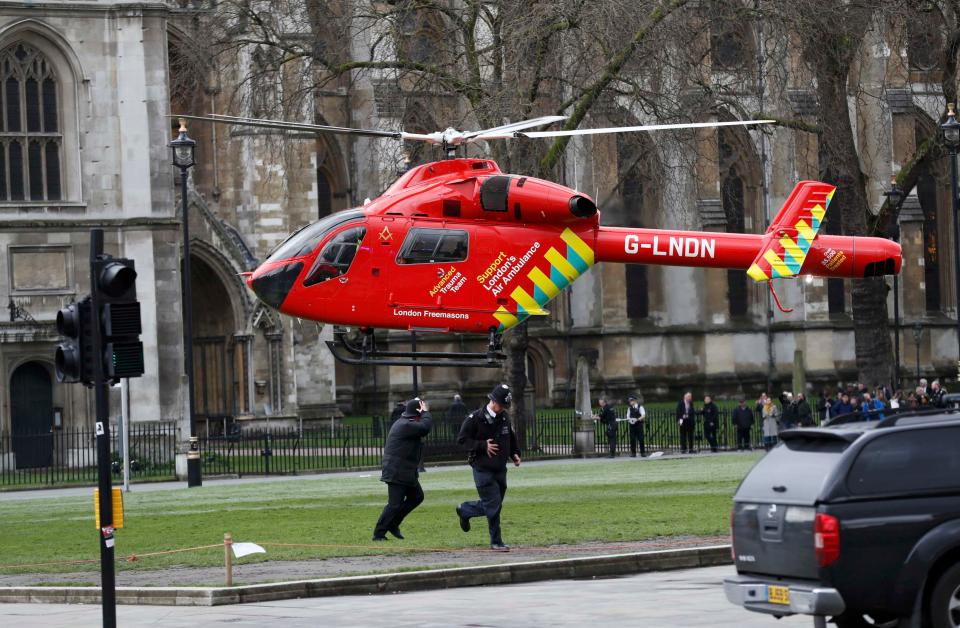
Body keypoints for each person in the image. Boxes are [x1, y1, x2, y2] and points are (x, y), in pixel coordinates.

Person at [455, 383, 521, 552]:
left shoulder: (504, 417)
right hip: (482, 468)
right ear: (492, 401)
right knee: (493, 504)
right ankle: (496, 542)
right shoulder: (474, 418)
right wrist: (482, 445)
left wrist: (514, 453)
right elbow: (462, 440)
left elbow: (510, 437)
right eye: (501, 405)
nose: (502, 409)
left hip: (500, 468)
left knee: (494, 504)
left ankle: (465, 510)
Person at [372, 398, 433, 541]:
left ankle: (393, 524)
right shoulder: (406, 425)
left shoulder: (406, 422)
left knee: (417, 497)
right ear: (417, 413)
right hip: (396, 470)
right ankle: (378, 533)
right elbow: (426, 427)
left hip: (405, 470)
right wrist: (426, 412)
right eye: (420, 413)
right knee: (394, 504)